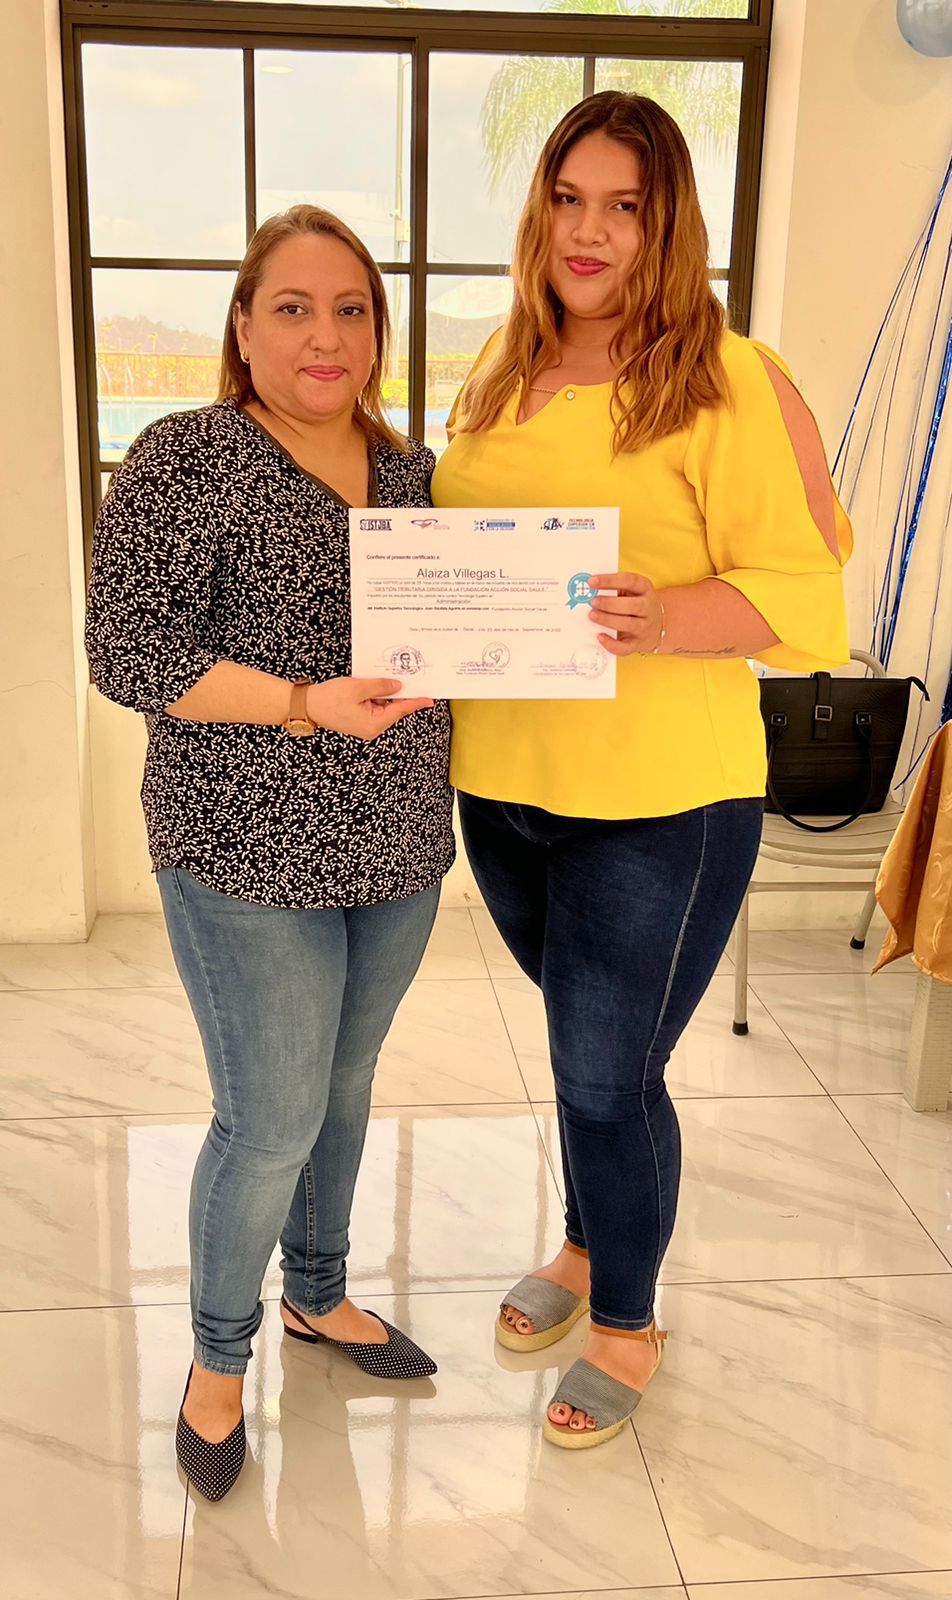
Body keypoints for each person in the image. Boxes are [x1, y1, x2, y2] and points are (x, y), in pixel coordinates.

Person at [433, 93, 851, 1450]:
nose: (591, 230)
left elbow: (807, 593)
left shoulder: (727, 374)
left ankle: (625, 1316)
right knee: (588, 1059)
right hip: (504, 784)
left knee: (610, 1075)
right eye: (569, 198)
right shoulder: (501, 364)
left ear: (668, 222)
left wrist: (667, 616)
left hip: (661, 801)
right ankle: (584, 1240)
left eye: (625, 205)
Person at [86, 205, 454, 1501]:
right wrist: (302, 702)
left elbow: (460, 637)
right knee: (271, 1117)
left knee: (343, 1091)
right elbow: (128, 653)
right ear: (243, 328)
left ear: (378, 333)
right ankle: (217, 1359)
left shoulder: (413, 477)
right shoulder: (184, 457)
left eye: (350, 309)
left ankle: (318, 1290)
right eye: (292, 307)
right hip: (242, 850)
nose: (324, 335)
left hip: (398, 845)